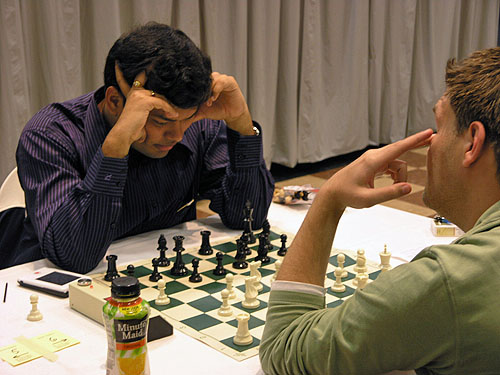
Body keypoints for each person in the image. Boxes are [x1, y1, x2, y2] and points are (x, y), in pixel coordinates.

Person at [260, 47, 500, 374]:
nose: (430, 144)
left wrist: (330, 199)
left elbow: (284, 349)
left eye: (438, 127)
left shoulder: (449, 284)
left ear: (473, 143)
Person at [12, 22, 274, 273]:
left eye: (187, 119)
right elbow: (76, 256)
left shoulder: (195, 123)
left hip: (159, 277)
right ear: (114, 100)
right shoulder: (50, 134)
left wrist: (242, 125)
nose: (178, 134)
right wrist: (115, 147)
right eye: (160, 120)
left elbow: (245, 219)